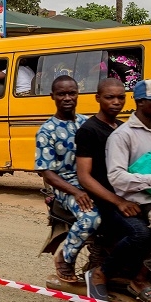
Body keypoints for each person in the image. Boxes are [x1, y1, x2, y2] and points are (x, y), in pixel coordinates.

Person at [77, 78, 151, 301]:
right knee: (141, 233)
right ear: (98, 98)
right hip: (105, 201)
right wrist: (118, 202)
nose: (116, 102)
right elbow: (84, 176)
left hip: (129, 194)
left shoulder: (122, 127)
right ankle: (101, 273)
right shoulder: (89, 130)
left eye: (120, 97)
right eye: (110, 97)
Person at [102, 79, 151, 302]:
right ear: (140, 102)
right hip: (138, 198)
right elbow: (116, 177)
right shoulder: (122, 135)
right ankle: (141, 278)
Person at [35, 75, 99, 284]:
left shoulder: (86, 123)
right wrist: (76, 192)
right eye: (61, 94)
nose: (67, 98)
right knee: (91, 218)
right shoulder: (47, 131)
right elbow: (46, 172)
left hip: (90, 180)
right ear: (52, 96)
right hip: (66, 187)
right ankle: (66, 257)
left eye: (71, 93)